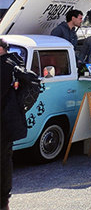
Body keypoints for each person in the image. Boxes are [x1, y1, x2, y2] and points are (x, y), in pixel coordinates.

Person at [1, 38, 27, 210]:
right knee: (4, 161)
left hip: (3, 122)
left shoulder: (4, 66)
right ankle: (4, 201)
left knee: (3, 162)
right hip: (9, 122)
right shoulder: (13, 63)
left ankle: (3, 202)